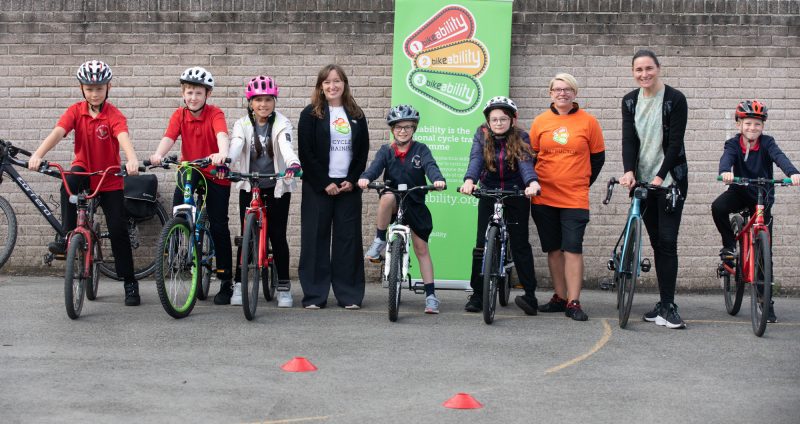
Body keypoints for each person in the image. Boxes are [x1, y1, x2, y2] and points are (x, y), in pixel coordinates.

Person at [27, 60, 143, 306]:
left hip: (108, 177)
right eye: (89, 88)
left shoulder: (113, 115)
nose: (94, 93)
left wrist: (132, 160)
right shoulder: (75, 111)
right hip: (84, 169)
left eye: (99, 88)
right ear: (82, 89)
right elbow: (58, 132)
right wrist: (38, 154)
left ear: (108, 87)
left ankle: (130, 283)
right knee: (68, 179)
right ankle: (67, 235)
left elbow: (123, 138)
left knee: (118, 230)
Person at [148, 66, 234, 305]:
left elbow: (222, 135)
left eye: (198, 93)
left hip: (215, 172)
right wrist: (158, 154)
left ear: (207, 95)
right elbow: (169, 137)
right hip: (191, 169)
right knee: (179, 207)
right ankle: (177, 241)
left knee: (218, 224)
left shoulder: (215, 113)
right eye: (189, 92)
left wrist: (222, 154)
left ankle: (226, 280)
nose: (193, 97)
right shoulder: (179, 115)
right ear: (183, 94)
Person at [712, 100, 800, 323]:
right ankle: (729, 246)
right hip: (739, 190)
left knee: (764, 252)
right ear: (739, 125)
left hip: (762, 196)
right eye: (748, 123)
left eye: (757, 125)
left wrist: (793, 172)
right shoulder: (733, 144)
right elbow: (727, 160)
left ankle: (765, 301)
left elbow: (780, 157)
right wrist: (725, 171)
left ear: (763, 127)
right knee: (718, 207)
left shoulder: (768, 143)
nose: (752, 128)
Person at [619, 50, 688, 329]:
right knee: (657, 240)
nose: (644, 74)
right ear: (633, 72)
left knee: (668, 242)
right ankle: (662, 303)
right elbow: (628, 140)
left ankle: (668, 306)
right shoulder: (629, 101)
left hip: (670, 182)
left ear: (658, 68)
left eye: (649, 68)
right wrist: (629, 171)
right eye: (638, 70)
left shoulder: (675, 99)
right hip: (643, 182)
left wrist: (661, 176)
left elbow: (675, 144)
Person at [529, 73, 605, 322]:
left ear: (575, 93)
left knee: (572, 248)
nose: (562, 93)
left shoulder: (589, 122)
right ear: (550, 93)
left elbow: (597, 158)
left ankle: (574, 301)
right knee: (553, 249)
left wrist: (581, 182)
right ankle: (559, 297)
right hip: (544, 196)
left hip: (574, 198)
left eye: (567, 89)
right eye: (557, 89)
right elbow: (532, 158)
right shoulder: (540, 122)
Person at [359, 105, 446, 314]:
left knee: (421, 249)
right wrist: (366, 178)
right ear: (392, 129)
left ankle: (431, 296)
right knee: (387, 196)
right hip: (394, 201)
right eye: (398, 127)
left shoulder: (421, 149)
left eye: (408, 127)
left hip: (415, 203)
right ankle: (380, 240)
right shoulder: (386, 151)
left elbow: (430, 166)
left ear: (414, 128)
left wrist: (437, 179)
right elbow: (374, 168)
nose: (403, 131)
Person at [459, 97, 542, 315]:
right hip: (488, 190)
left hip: (516, 192)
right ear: (488, 121)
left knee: (520, 244)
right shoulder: (481, 135)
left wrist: (532, 183)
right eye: (494, 119)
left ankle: (530, 296)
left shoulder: (521, 136)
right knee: (480, 245)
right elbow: (476, 159)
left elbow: (525, 162)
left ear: (512, 120)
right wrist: (469, 180)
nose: (498, 123)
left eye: (503, 119)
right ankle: (478, 295)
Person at [297, 64, 369, 309]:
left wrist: (352, 178)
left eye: (337, 81)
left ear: (344, 84)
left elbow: (361, 153)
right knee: (315, 239)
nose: (332, 86)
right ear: (320, 86)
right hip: (318, 187)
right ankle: (315, 296)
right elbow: (306, 153)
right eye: (327, 82)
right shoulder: (310, 114)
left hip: (348, 187)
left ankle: (349, 295)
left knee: (347, 241)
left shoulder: (357, 115)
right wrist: (324, 182)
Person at [228, 76, 301, 308]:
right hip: (251, 185)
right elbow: (237, 144)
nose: (263, 104)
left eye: (268, 99)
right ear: (250, 102)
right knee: (245, 236)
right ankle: (239, 285)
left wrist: (293, 164)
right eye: (258, 100)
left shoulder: (282, 122)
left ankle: (283, 286)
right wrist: (227, 163)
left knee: (277, 236)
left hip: (277, 185)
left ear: (274, 101)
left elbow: (285, 146)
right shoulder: (242, 124)